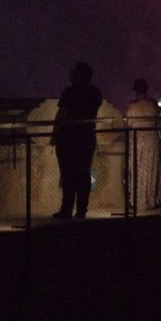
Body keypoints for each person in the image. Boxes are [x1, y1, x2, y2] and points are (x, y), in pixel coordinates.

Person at [52, 62, 104, 219]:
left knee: (68, 174)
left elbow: (62, 114)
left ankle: (66, 209)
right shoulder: (95, 92)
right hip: (87, 137)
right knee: (84, 174)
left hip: (68, 138)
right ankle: (81, 209)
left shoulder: (69, 92)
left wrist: (55, 135)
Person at [124, 78, 161, 210]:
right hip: (151, 138)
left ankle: (137, 199)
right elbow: (158, 119)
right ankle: (151, 198)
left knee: (138, 169)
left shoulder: (131, 106)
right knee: (151, 168)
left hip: (137, 139)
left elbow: (129, 123)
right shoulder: (153, 104)